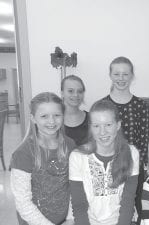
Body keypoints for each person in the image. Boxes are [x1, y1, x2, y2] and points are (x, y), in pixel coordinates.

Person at [69, 99, 139, 225]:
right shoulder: (77, 156)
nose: (102, 132)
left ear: (118, 125)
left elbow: (128, 201)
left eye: (108, 125)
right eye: (96, 126)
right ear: (90, 127)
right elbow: (79, 205)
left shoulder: (132, 152)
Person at [10, 92, 76, 225]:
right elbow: (23, 202)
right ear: (33, 118)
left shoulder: (70, 145)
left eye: (57, 115)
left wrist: (70, 218)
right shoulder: (23, 154)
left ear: (63, 116)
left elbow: (74, 185)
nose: (51, 121)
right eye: (44, 116)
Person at [102, 56, 149, 223]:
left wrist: (137, 165)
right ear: (110, 75)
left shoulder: (140, 105)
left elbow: (144, 138)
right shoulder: (102, 105)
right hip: (108, 166)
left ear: (131, 76)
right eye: (117, 74)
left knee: (134, 208)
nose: (121, 78)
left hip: (133, 166)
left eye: (125, 74)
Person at [61, 75, 89, 146]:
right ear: (62, 93)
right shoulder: (54, 120)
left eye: (80, 91)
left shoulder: (92, 119)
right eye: (70, 91)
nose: (76, 95)